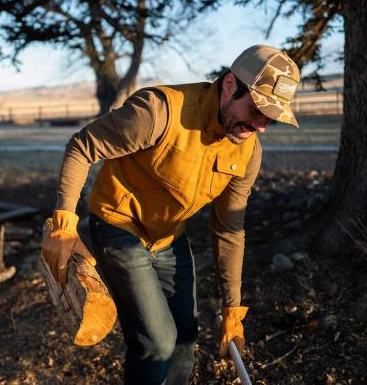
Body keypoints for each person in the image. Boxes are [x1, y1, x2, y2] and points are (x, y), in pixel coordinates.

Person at [42, 44, 300, 384]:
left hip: (168, 237)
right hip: (119, 226)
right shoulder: (159, 112)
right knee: (157, 342)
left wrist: (232, 310)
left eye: (270, 118)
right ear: (229, 85)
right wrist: (65, 222)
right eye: (256, 109)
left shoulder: (248, 151)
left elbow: (229, 229)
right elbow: (82, 146)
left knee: (185, 339)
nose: (261, 125)